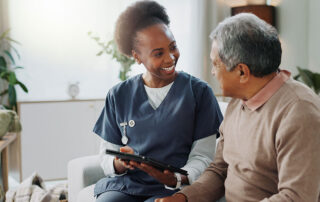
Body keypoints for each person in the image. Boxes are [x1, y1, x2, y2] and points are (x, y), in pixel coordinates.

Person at [156, 13, 320, 202]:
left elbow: (296, 197)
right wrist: (183, 198)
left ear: (242, 71)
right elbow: (219, 170)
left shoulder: (299, 112)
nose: (212, 72)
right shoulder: (238, 102)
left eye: (216, 64)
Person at [92, 1, 223, 201]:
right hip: (127, 185)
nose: (170, 58)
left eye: (173, 47)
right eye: (158, 53)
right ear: (137, 57)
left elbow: (204, 157)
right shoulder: (118, 95)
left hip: (174, 188)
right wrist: (119, 163)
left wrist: (175, 177)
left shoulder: (199, 93)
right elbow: (106, 154)